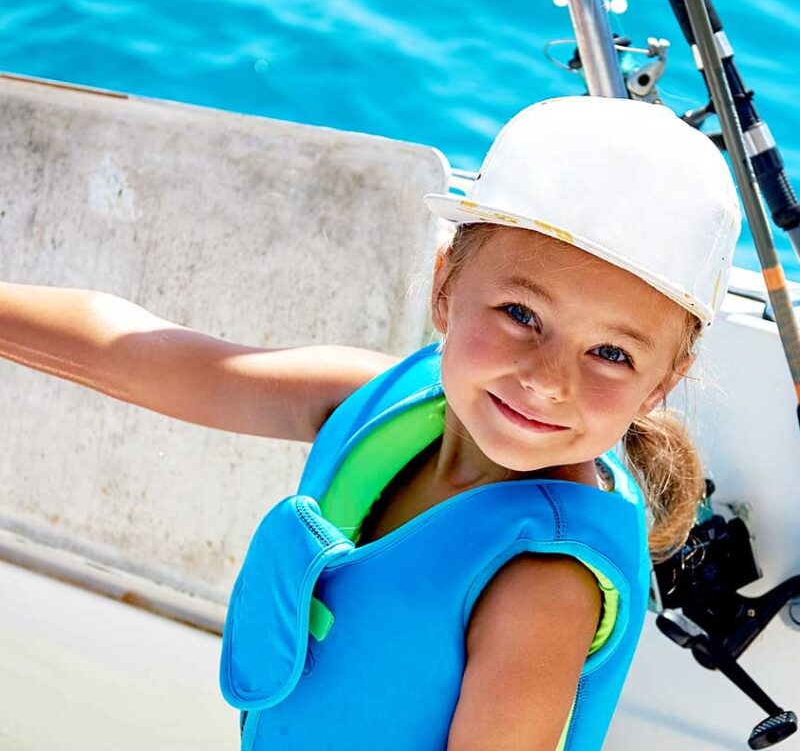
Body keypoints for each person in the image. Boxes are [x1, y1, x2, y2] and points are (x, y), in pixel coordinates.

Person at [0, 95, 740, 750]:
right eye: (521, 314)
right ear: (446, 285)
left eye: (610, 353)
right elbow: (156, 362)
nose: (547, 381)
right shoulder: (389, 401)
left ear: (659, 386)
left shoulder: (541, 587)